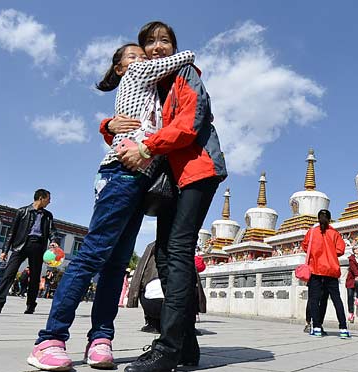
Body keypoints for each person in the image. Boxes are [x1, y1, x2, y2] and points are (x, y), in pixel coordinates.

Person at [27, 28, 200, 372]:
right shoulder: (139, 74)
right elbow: (172, 62)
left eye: (145, 54)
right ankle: (50, 339)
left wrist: (108, 125)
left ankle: (101, 338)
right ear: (121, 68)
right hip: (121, 173)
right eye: (134, 55)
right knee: (92, 254)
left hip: (141, 179)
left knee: (117, 263)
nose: (144, 57)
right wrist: (186, 55)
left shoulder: (156, 89)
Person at [113, 21, 227, 372]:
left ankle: (168, 347)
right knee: (163, 256)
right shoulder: (151, 87)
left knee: (177, 251)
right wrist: (109, 126)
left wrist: (147, 148)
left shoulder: (185, 74)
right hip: (170, 178)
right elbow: (131, 124)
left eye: (165, 41)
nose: (157, 46)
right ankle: (186, 346)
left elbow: (190, 123)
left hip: (198, 169)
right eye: (150, 42)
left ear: (174, 48)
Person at [0, 189, 61, 314]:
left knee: (35, 277)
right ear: (41, 198)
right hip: (20, 246)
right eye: (48, 199)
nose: (50, 202)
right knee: (8, 274)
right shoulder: (22, 211)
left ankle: (31, 305)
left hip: (38, 246)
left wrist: (53, 241)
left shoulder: (48, 215)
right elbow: (11, 233)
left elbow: (52, 231)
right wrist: (4, 251)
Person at [300, 210, 349, 339]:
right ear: (330, 219)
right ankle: (343, 328)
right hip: (331, 270)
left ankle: (316, 327)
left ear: (318, 219)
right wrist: (330, 253)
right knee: (336, 300)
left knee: (314, 300)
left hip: (316, 270)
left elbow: (305, 247)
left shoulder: (312, 232)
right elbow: (341, 250)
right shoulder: (334, 233)